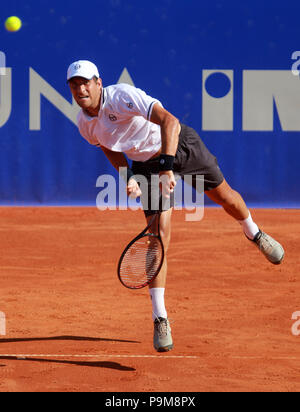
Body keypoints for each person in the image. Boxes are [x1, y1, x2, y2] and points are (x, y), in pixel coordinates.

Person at [67, 60, 285, 353]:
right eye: (75, 84)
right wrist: (127, 176)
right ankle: (160, 318)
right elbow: (108, 145)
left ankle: (254, 233)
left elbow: (170, 120)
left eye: (86, 82)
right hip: (145, 166)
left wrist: (168, 167)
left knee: (225, 198)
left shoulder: (122, 96)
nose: (81, 89)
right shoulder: (84, 124)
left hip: (179, 146)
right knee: (157, 239)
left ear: (98, 82)